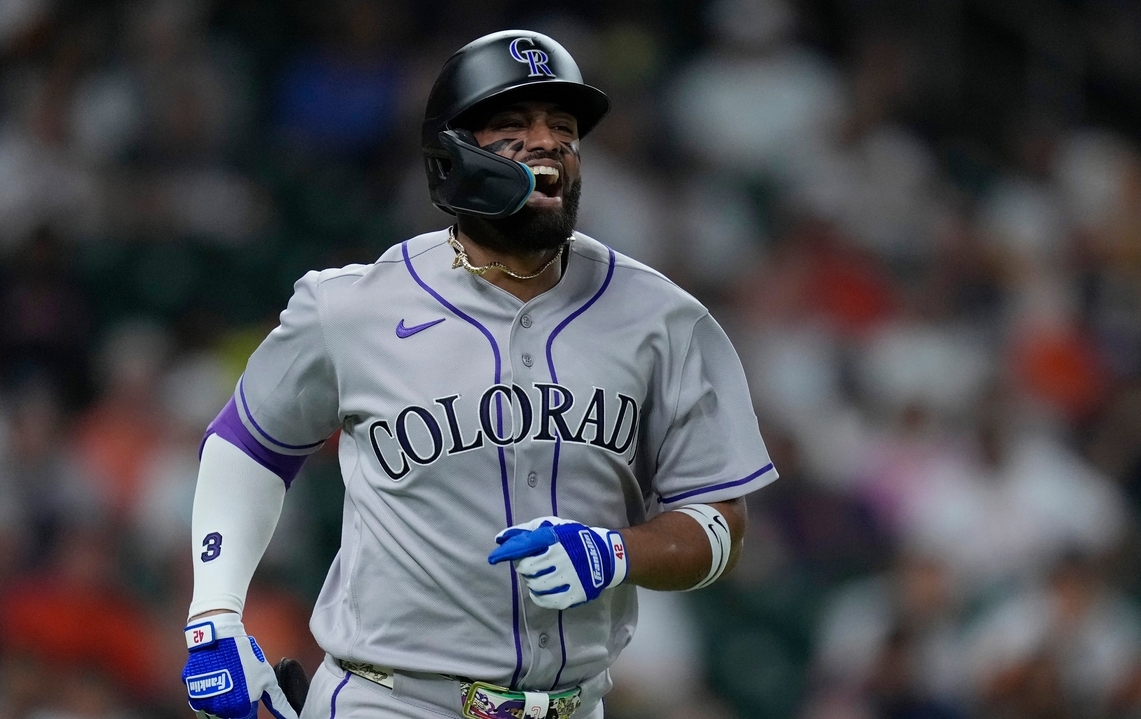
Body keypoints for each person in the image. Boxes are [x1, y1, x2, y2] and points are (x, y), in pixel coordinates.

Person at [179, 30, 777, 719]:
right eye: (512, 126)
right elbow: (249, 443)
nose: (547, 141)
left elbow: (722, 526)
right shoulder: (351, 306)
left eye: (562, 127)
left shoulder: (664, 319)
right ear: (451, 155)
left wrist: (617, 551)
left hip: (571, 704)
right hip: (391, 698)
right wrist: (214, 613)